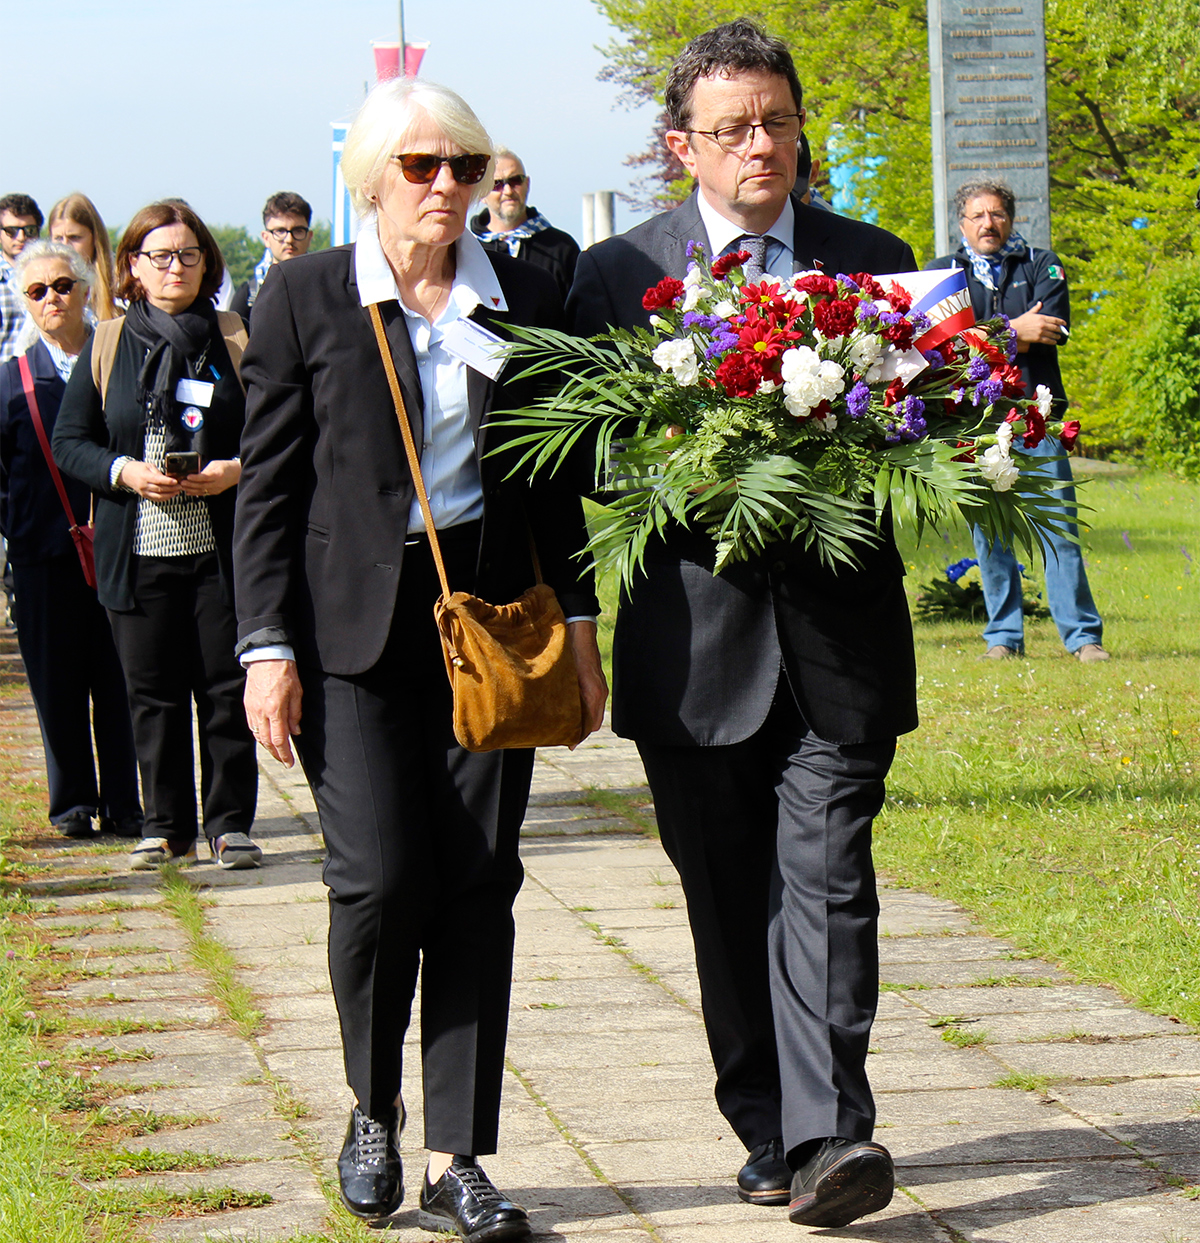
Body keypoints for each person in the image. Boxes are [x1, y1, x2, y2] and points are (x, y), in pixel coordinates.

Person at [233, 77, 606, 1237]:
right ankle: (371, 1104)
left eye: (464, 166)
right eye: (421, 166)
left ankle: (457, 1156)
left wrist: (581, 631)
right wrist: (264, 647)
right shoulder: (305, 295)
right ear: (371, 179)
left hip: (489, 628)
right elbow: (267, 488)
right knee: (380, 879)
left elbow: (552, 481)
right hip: (351, 630)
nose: (447, 186)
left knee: (479, 882)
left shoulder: (525, 294)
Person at [566, 19, 918, 1230]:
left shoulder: (874, 262)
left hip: (840, 640)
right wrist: (700, 464)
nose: (760, 146)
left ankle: (834, 1137)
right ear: (682, 145)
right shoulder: (616, 275)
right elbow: (586, 455)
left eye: (777, 122)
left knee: (827, 882)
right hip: (693, 646)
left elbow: (923, 431)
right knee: (726, 902)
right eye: (732, 129)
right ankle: (765, 1121)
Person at [52, 200, 260, 872]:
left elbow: (277, 431)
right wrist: (125, 472)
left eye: (189, 254)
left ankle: (229, 824)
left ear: (207, 263)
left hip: (220, 550)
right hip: (137, 549)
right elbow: (70, 441)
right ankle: (166, 826)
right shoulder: (109, 342)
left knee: (225, 690)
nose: (176, 267)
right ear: (133, 266)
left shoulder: (234, 337)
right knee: (152, 696)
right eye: (161, 256)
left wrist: (234, 471)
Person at [927, 180, 1107, 662]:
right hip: (973, 422)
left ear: (1010, 219)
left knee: (1058, 528)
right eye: (978, 215)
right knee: (991, 533)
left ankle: (1083, 638)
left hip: (1036, 418)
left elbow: (1051, 328)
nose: (988, 224)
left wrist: (979, 334)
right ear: (962, 223)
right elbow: (938, 345)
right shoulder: (942, 272)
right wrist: (1013, 329)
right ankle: (1003, 638)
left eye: (998, 214)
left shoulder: (1042, 264)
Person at [0, 241, 142, 841]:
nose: (52, 299)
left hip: (121, 547)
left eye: (62, 285)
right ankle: (73, 803)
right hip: (43, 556)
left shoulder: (120, 361)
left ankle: (126, 802)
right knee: (55, 685)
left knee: (121, 679)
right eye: (37, 291)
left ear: (86, 289)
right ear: (24, 303)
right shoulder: (11, 381)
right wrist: (20, 530)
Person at [470, 148, 580, 299]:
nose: (508, 191)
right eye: (497, 184)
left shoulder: (561, 248)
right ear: (481, 193)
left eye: (515, 181)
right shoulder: (467, 249)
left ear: (527, 184)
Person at [229, 191, 314, 322]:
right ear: (266, 238)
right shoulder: (249, 295)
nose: (289, 239)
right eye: (280, 231)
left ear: (309, 237)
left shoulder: (325, 288)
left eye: (298, 231)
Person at [48, 194, 120, 322]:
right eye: (58, 238)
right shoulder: (43, 286)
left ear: (94, 238)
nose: (65, 246)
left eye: (74, 237)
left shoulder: (118, 280)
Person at [1, 193, 42, 364]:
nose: (21, 237)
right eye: (11, 231)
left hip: (43, 376)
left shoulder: (54, 282)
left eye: (29, 230)